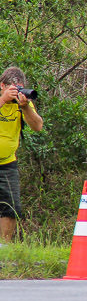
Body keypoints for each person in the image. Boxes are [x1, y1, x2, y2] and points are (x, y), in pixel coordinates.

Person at [0, 66, 43, 242]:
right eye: (11, 89)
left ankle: (4, 248)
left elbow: (37, 126)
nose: (14, 93)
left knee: (10, 207)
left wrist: (25, 107)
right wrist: (3, 100)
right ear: (2, 85)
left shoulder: (21, 103)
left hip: (7, 162)